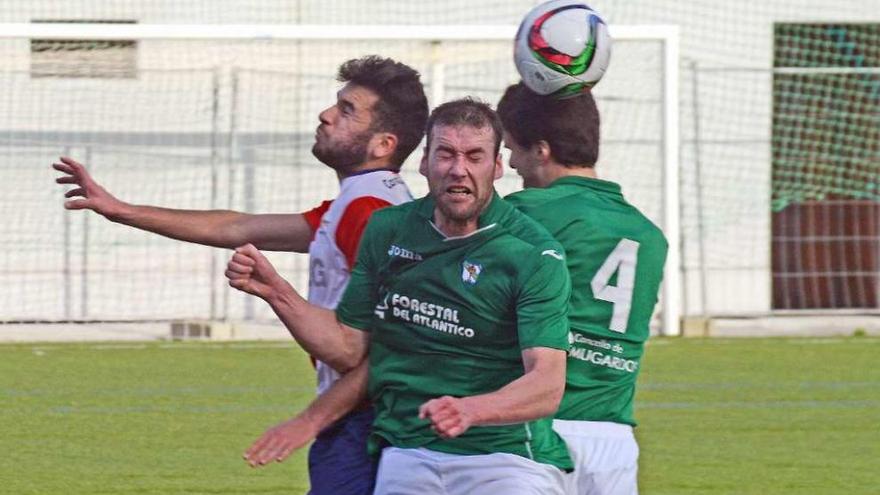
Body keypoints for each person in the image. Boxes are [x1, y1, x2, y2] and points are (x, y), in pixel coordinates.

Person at [53, 55, 429, 495]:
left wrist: (310, 418)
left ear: (383, 144)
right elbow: (236, 227)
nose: (326, 115)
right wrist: (122, 210)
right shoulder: (352, 205)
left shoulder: (371, 212)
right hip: (356, 419)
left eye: (347, 110)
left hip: (366, 423)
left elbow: (392, 347)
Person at [225, 98, 574, 495]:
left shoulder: (533, 253)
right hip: (409, 452)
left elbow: (546, 383)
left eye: (474, 156)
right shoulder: (388, 229)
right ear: (424, 162)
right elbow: (349, 347)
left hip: (505, 459)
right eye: (445, 154)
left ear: (496, 166)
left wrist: (470, 409)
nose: (458, 169)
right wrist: (277, 292)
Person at [497, 82, 668, 495]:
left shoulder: (522, 216)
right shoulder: (649, 235)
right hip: (613, 443)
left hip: (537, 432)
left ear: (541, 150)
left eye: (512, 149)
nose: (512, 164)